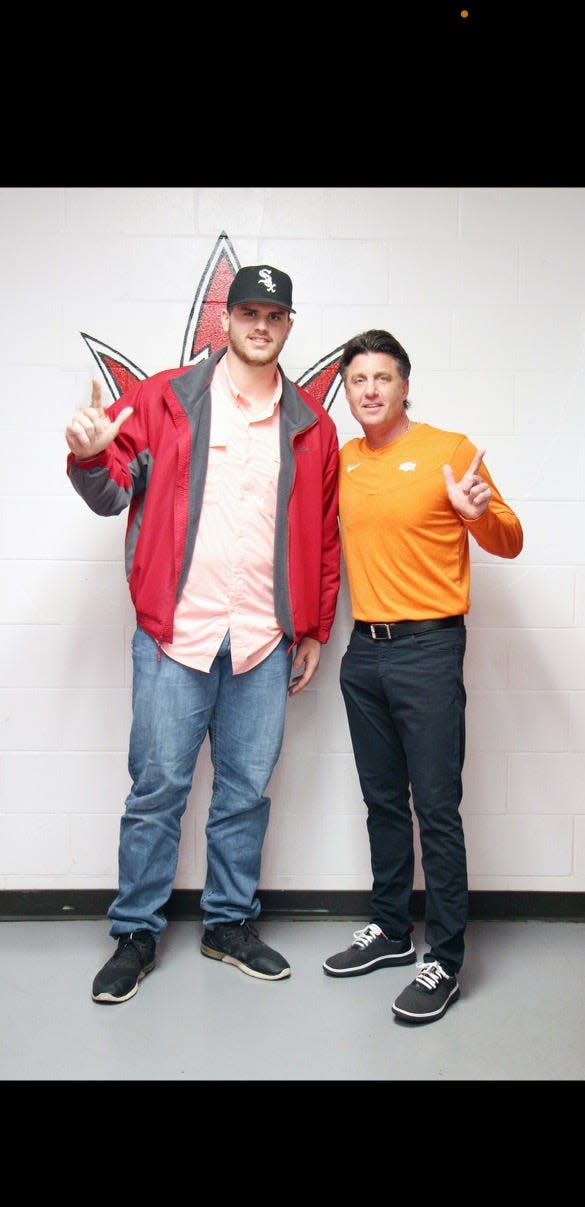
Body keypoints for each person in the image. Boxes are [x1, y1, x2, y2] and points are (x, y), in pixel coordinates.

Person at [65, 264, 340, 1004]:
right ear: (227, 320)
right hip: (174, 636)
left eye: (273, 315)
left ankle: (227, 924)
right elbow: (110, 489)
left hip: (262, 639)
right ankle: (135, 931)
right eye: (246, 311)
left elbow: (323, 535)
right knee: (157, 789)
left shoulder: (312, 425)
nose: (259, 325)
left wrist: (311, 626)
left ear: (287, 326)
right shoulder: (166, 397)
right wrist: (91, 453)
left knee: (246, 792)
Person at [322, 329, 523, 1023]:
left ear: (405, 385)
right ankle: (389, 929)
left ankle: (445, 958)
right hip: (362, 653)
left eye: (383, 378)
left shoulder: (448, 450)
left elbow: (510, 536)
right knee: (381, 800)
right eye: (357, 380)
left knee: (433, 807)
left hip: (428, 649)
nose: (370, 390)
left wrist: (478, 515)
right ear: (345, 391)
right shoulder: (343, 459)